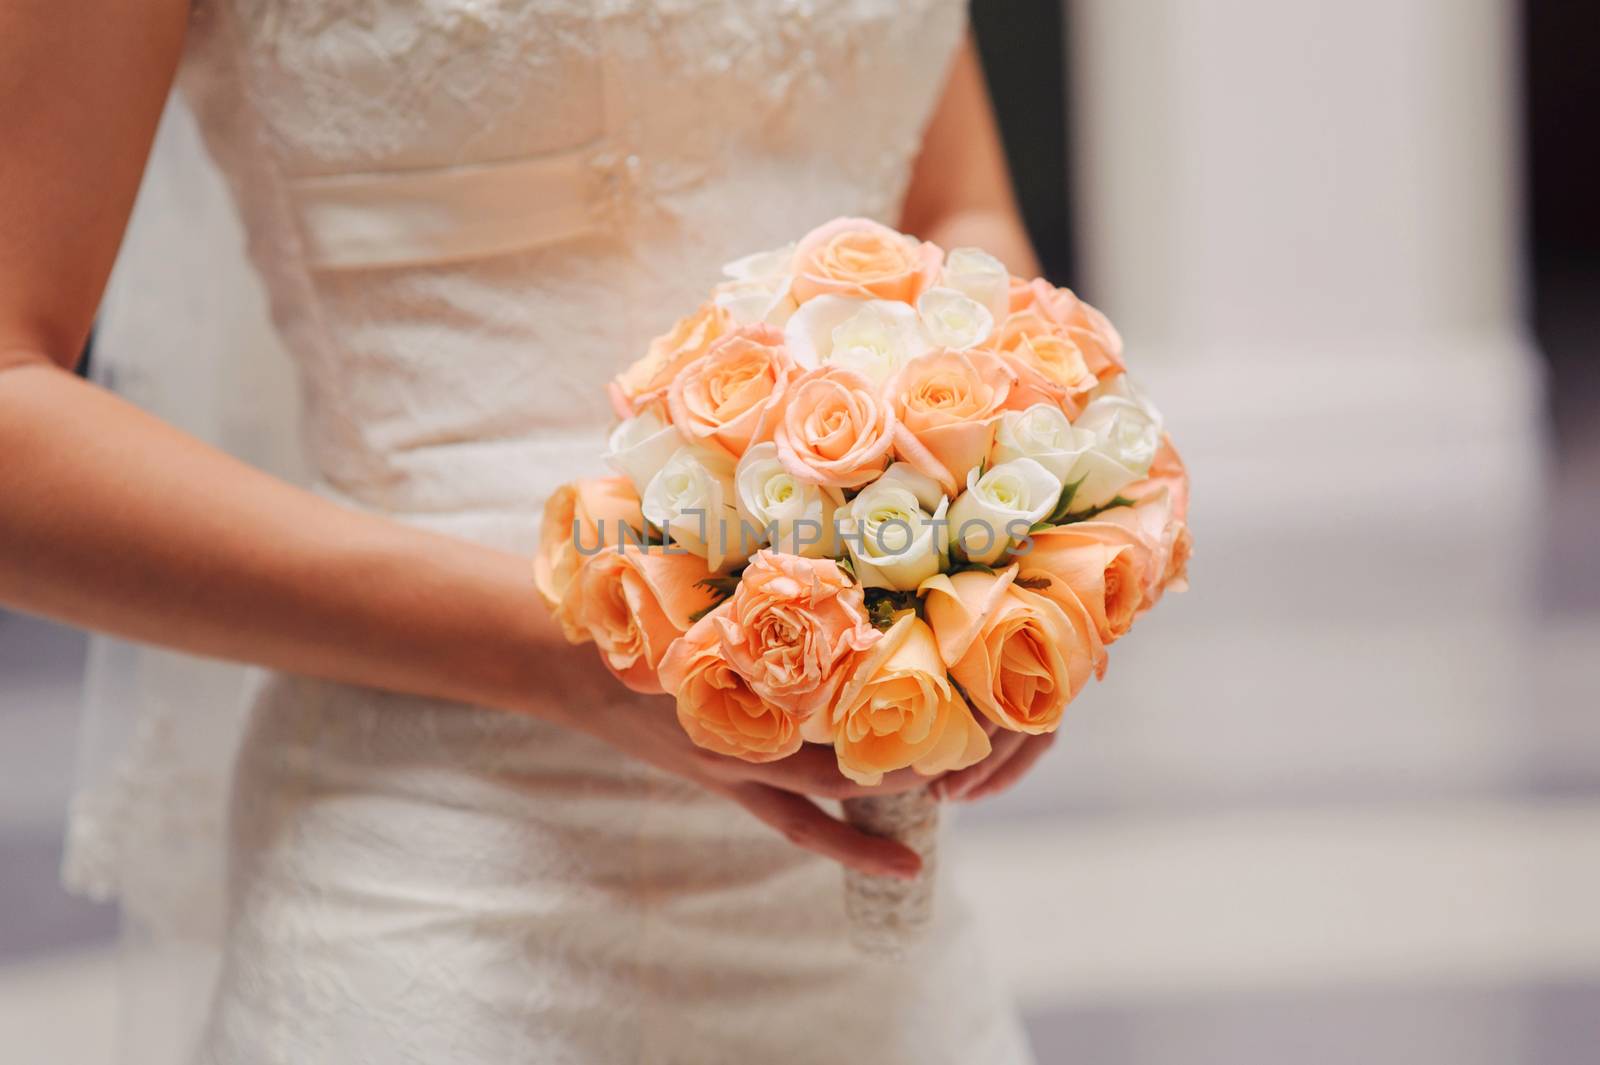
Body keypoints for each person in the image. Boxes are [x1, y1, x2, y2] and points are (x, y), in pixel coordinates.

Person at [0, 2, 1050, 1060]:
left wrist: (1007, 551)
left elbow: (956, 215)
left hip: (867, 929)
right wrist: (581, 652)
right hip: (445, 897)